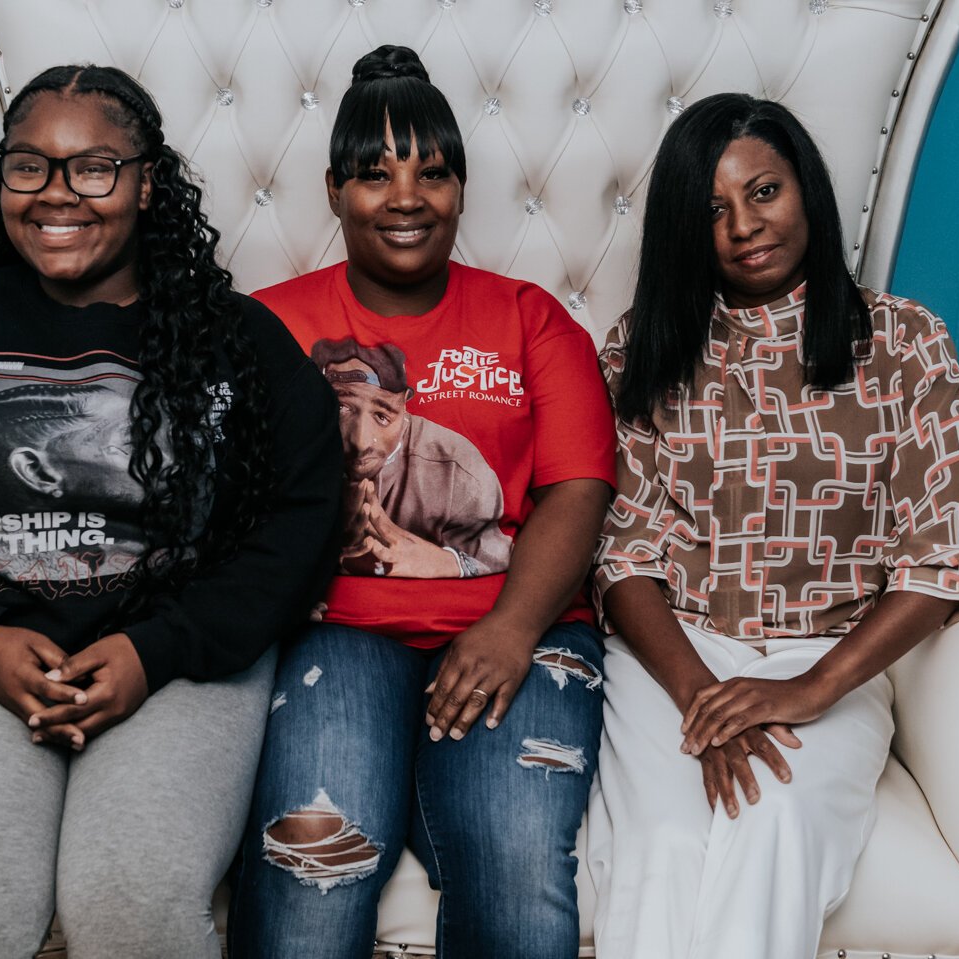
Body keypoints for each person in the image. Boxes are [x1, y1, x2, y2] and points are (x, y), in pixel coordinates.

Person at [0, 64, 341, 959]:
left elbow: (302, 518)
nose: (59, 195)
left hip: (174, 664)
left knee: (128, 901)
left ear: (145, 183)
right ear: (2, 179)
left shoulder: (234, 338)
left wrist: (156, 650)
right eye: (30, 166)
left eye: (93, 167)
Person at [586, 93, 959, 959]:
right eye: (713, 209)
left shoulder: (901, 342)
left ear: (807, 192)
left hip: (828, 653)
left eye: (764, 191)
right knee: (664, 850)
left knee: (774, 823)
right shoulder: (642, 349)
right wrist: (705, 703)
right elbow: (620, 553)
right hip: (672, 656)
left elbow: (950, 546)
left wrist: (810, 689)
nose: (744, 225)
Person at [229, 45, 617, 959]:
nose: (406, 197)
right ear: (333, 190)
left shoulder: (530, 318)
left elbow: (578, 486)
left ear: (460, 187)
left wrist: (512, 627)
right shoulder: (268, 327)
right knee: (311, 860)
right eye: (375, 174)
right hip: (337, 633)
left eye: (432, 172)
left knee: (516, 861)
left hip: (521, 627)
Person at [310, 335, 511, 577]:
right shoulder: (288, 442)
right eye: (341, 408)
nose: (361, 442)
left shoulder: (457, 468)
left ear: (404, 404)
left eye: (382, 415)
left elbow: (497, 555)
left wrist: (444, 561)